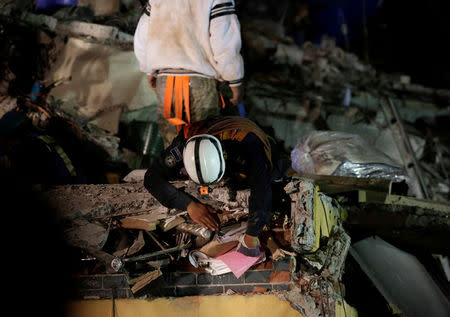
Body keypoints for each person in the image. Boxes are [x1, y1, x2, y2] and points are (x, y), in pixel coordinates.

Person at [144, 116, 290, 257]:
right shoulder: (184, 143)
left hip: (247, 152)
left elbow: (261, 189)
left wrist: (251, 234)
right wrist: (189, 205)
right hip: (209, 139)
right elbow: (152, 178)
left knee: (274, 175)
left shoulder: (248, 146)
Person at [133, 0, 245, 146]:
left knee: (172, 148)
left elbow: (142, 36)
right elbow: (224, 41)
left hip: (165, 82)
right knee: (203, 145)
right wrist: (234, 79)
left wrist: (149, 69)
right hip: (200, 81)